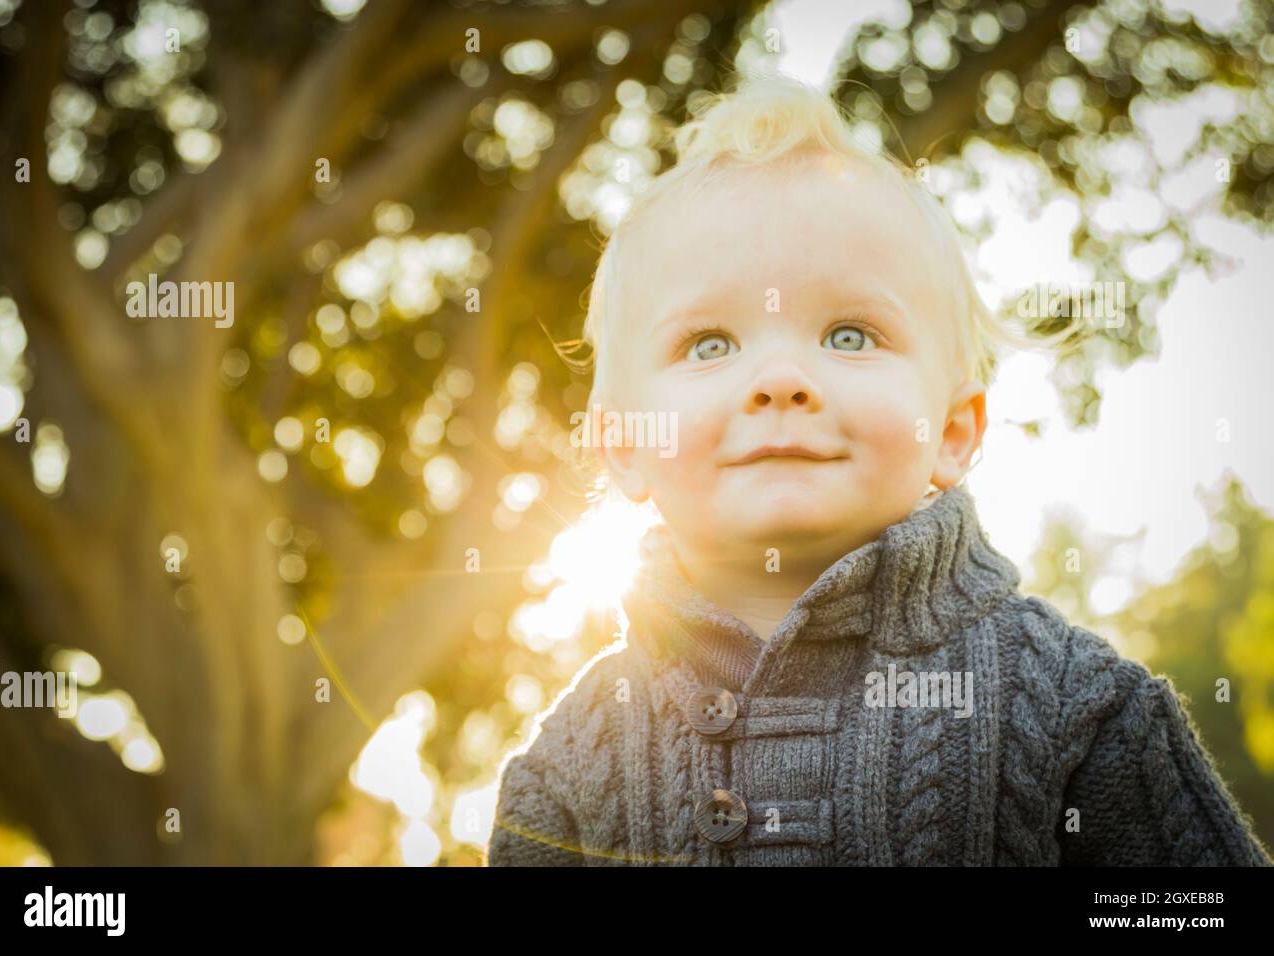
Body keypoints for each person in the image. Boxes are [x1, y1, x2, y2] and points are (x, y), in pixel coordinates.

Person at [485, 72, 1272, 866]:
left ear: (954, 432)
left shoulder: (1077, 706)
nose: (780, 378)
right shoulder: (572, 760)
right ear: (621, 442)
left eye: (850, 335)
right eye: (710, 344)